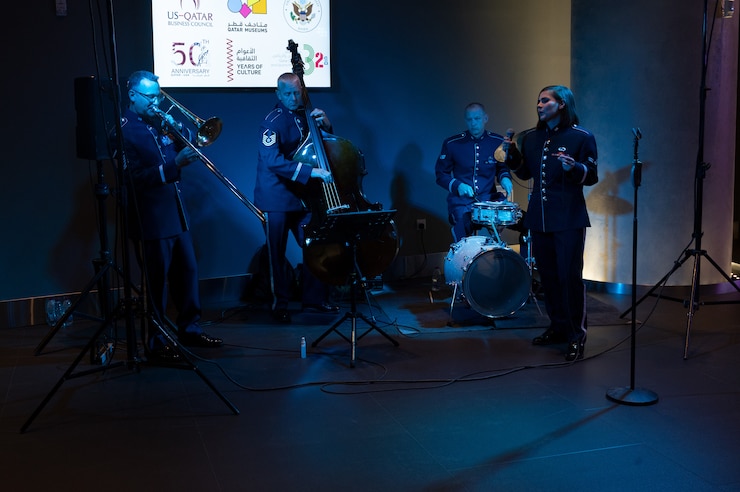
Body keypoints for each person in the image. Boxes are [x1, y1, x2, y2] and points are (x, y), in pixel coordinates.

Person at [121, 70, 223, 361]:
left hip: (176, 213)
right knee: (155, 283)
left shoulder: (156, 122)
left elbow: (190, 142)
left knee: (188, 274)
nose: (156, 103)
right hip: (150, 219)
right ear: (132, 95)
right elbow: (132, 178)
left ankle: (189, 330)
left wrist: (179, 128)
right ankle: (155, 342)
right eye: (151, 97)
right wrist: (173, 166)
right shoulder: (124, 130)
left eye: (158, 96)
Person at [504, 85, 598, 361]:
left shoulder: (582, 137)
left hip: (568, 218)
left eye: (545, 101)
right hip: (540, 218)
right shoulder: (532, 137)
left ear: (561, 105)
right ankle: (557, 328)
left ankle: (575, 335)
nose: (539, 105)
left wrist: (575, 168)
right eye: (538, 101)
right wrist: (511, 155)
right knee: (548, 279)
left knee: (569, 277)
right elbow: (524, 171)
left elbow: (590, 175)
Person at [253, 72, 340, 324]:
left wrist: (326, 125)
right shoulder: (271, 122)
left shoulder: (306, 115)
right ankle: (278, 304)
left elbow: (318, 145)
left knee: (314, 244)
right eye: (288, 94)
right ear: (278, 94)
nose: (294, 98)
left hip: (301, 196)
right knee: (276, 254)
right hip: (276, 197)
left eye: (297, 92)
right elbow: (272, 161)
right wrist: (311, 171)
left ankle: (314, 300)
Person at [435, 102, 514, 242]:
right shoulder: (452, 143)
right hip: (461, 201)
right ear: (465, 120)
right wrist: (457, 185)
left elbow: (502, 168)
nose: (473, 123)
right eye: (470, 119)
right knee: (463, 225)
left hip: (489, 198)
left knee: (513, 218)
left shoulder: (497, 141)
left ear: (485, 118)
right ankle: (465, 257)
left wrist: (505, 178)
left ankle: (498, 255)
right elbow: (441, 174)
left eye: (477, 119)